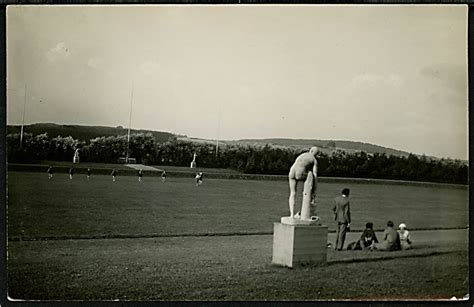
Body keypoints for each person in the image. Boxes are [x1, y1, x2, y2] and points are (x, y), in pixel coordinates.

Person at [288, 146, 318, 218]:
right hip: (300, 172)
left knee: (292, 192)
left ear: (310, 150)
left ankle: (291, 214)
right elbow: (315, 175)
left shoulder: (302, 155)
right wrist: (314, 189)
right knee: (310, 173)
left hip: (292, 171)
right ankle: (306, 197)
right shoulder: (314, 160)